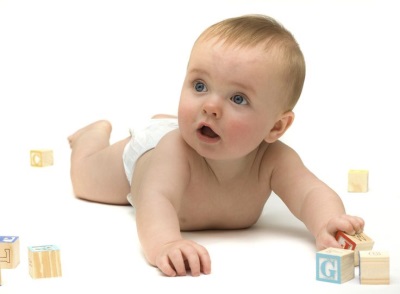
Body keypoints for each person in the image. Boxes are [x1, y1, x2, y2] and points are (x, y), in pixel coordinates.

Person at [68, 14, 365, 277]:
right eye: (199, 86)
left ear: (276, 127)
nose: (210, 105)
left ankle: (169, 118)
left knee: (193, 121)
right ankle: (90, 136)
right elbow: (154, 200)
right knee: (85, 179)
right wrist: (165, 243)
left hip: (190, 128)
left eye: (238, 99)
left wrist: (327, 222)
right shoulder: (172, 153)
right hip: (150, 149)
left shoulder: (273, 160)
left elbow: (311, 193)